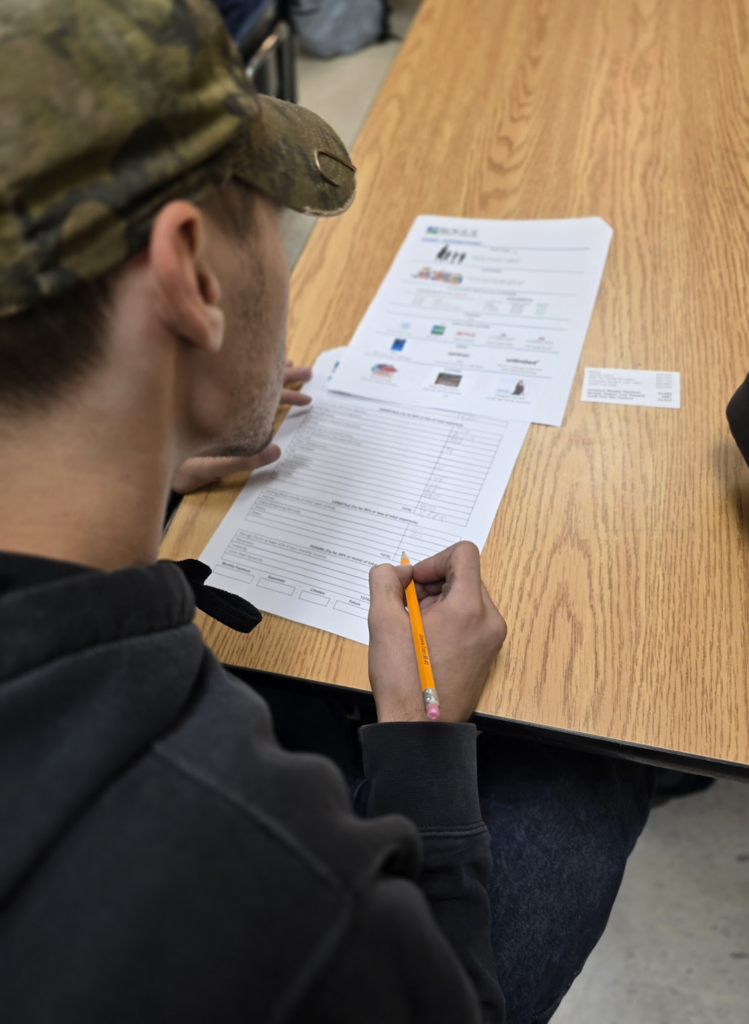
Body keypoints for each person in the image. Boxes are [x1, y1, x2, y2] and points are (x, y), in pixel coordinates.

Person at [0, 1, 653, 1021]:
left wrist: (157, 454)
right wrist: (424, 735)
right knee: (593, 766)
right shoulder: (293, 895)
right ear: (189, 274)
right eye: (267, 203)